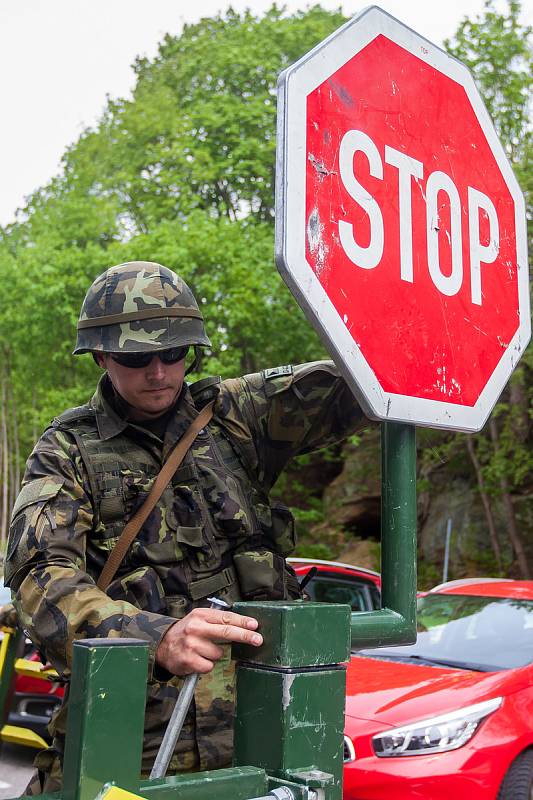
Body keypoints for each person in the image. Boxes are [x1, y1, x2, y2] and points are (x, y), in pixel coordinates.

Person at [5, 260, 365, 792]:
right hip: (132, 738)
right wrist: (156, 639)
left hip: (260, 728)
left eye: (174, 353)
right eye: (137, 356)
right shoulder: (66, 450)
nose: (159, 371)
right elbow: (42, 577)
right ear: (102, 356)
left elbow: (364, 381)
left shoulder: (235, 416)